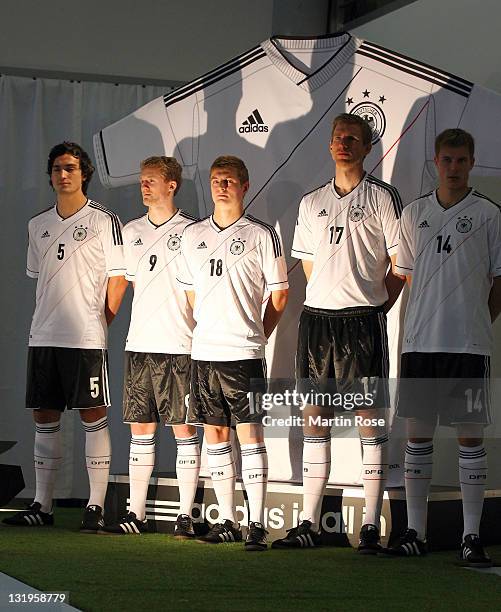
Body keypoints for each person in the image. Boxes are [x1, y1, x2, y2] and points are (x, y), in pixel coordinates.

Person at [272, 113, 404, 552]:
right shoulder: (311, 202)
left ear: (367, 149)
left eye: (352, 139)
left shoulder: (384, 198)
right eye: (337, 138)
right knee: (315, 420)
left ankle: (369, 525)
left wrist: (369, 309)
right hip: (317, 322)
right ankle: (309, 523)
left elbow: (400, 269)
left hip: (362, 322)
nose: (343, 144)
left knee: (368, 422)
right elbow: (309, 267)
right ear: (329, 146)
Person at [385, 129, 501, 567]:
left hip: (468, 349)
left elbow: (499, 284)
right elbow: (409, 276)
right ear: (436, 162)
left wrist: (471, 323)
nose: (453, 168)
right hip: (420, 347)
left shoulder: (490, 215)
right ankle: (415, 531)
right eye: (446, 160)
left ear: (472, 162)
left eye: (461, 160)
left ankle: (472, 536)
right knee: (418, 438)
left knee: (471, 440)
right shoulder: (414, 214)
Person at [3, 142, 127, 532]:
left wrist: (99, 322)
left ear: (84, 173)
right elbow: (41, 279)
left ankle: (94, 506)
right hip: (43, 337)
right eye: (57, 169)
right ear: (51, 174)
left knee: (93, 417)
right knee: (45, 417)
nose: (63, 175)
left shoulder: (104, 221)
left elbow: (119, 280)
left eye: (71, 168)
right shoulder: (37, 225)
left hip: (86, 338)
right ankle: (43, 504)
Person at [177, 156, 288, 551]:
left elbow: (279, 295)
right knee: (216, 435)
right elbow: (190, 294)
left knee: (251, 435)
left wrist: (257, 334)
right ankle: (227, 520)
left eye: (229, 180)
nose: (221, 186)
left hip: (244, 352)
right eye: (216, 180)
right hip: (205, 352)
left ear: (244, 185)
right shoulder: (192, 236)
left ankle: (256, 523)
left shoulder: (262, 234)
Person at [101, 156, 200, 536]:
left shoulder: (193, 231)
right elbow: (121, 285)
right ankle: (136, 514)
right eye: (142, 180)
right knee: (140, 429)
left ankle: (186, 516)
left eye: (151, 181)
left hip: (180, 345)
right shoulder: (130, 231)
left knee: (184, 430)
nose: (143, 186)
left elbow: (198, 293)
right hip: (140, 343)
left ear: (172, 185)